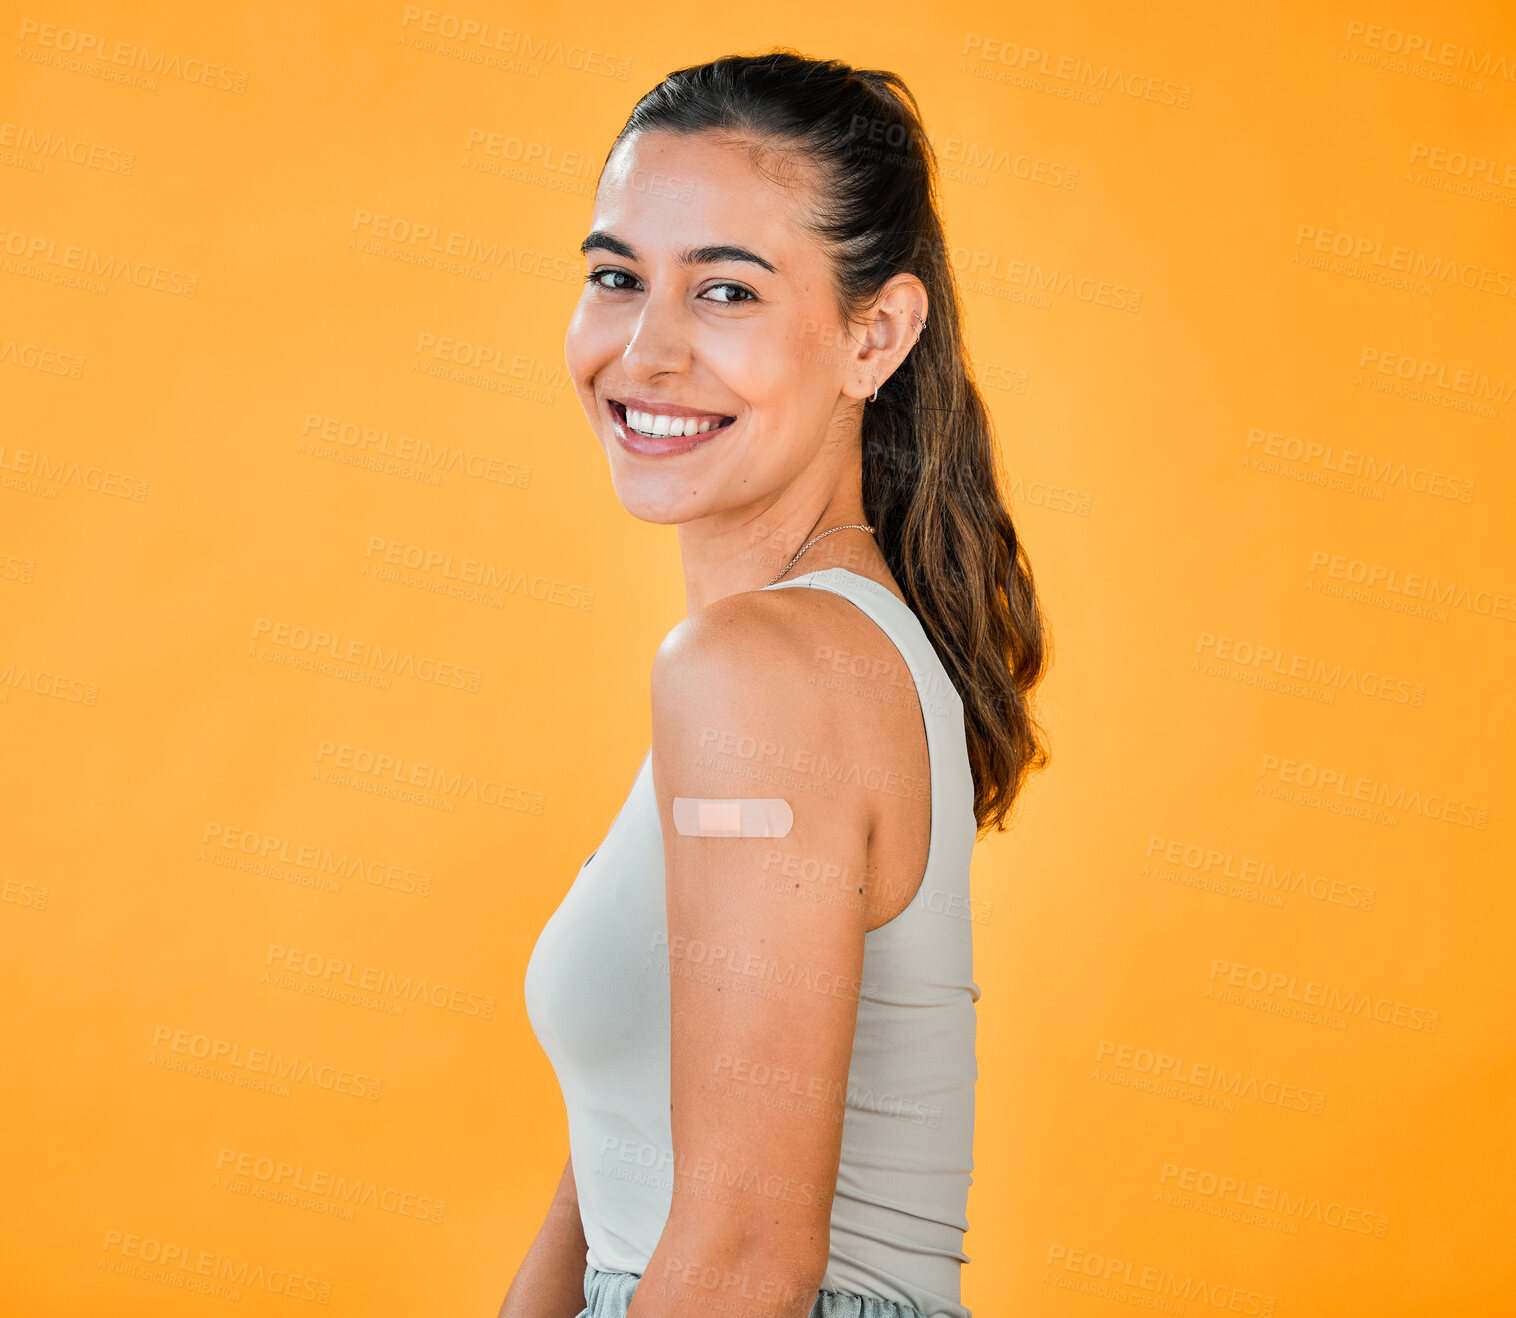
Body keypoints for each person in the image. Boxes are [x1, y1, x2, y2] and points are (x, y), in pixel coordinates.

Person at [504, 48, 1050, 1318]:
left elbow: (748, 1258)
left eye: (728, 293)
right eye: (615, 277)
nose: (645, 350)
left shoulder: (761, 673)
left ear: (876, 334)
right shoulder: (794, 656)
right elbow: (628, 1154)